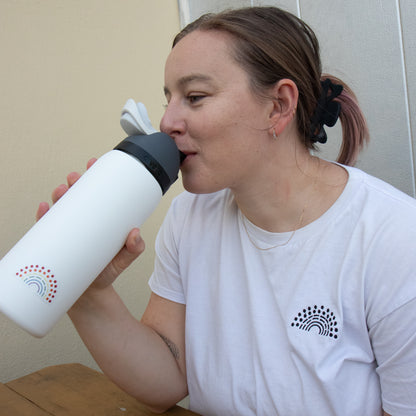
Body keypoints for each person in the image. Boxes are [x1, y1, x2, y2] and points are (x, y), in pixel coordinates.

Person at [37, 6, 416, 416]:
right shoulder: (189, 217)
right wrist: (86, 288)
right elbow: (167, 376)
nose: (167, 122)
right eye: (170, 99)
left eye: (195, 97)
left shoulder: (396, 240)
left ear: (278, 106)